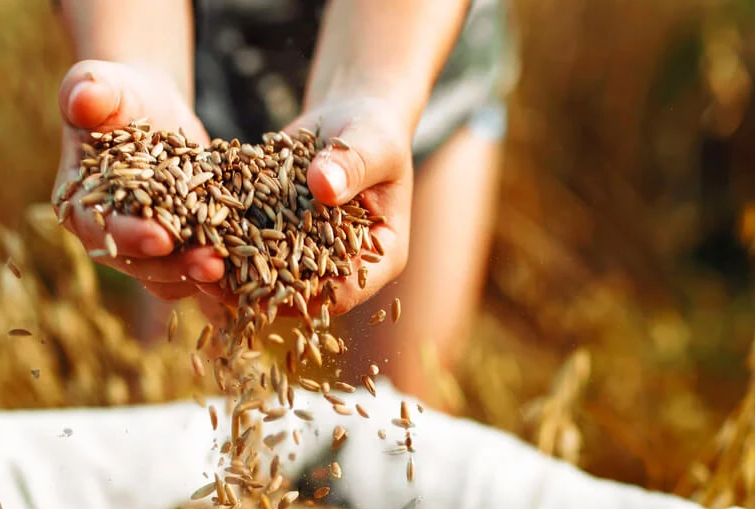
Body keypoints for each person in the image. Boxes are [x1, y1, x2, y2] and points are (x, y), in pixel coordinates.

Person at [52, 0, 516, 409]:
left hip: (415, 63)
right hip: (201, 75)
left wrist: (371, 87)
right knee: (180, 400)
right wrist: (134, 62)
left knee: (404, 414)